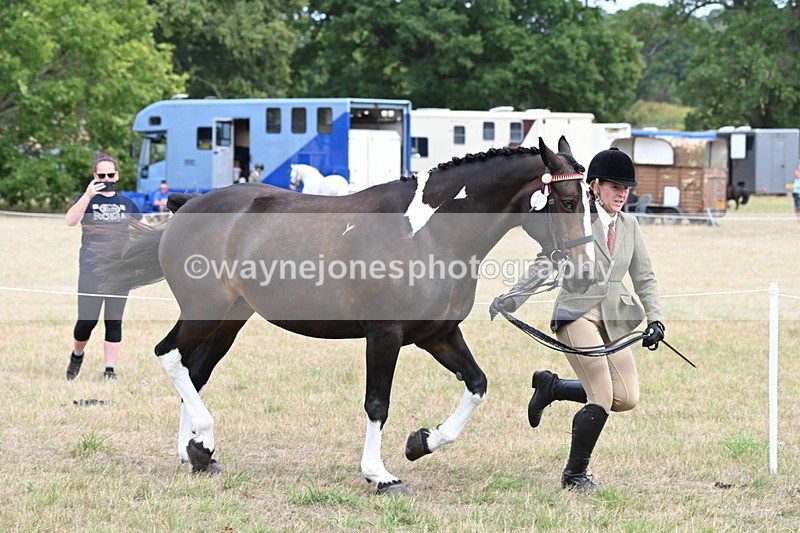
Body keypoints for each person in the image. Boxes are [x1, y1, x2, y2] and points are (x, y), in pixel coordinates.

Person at [491, 147, 665, 492]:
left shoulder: (630, 225)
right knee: (600, 394)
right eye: (614, 186)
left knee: (626, 398)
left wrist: (656, 319)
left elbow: (645, 277)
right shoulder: (578, 218)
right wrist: (515, 296)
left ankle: (552, 387)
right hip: (577, 310)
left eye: (626, 188)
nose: (621, 194)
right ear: (595, 185)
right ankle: (574, 475)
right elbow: (548, 259)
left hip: (616, 316)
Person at [64, 154, 143, 380]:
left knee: (114, 320)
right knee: (87, 321)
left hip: (120, 270)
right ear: (94, 176)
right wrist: (88, 196)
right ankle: (77, 355)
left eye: (110, 174)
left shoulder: (128, 203)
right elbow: (70, 220)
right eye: (102, 175)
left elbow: (144, 230)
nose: (106, 178)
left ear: (117, 175)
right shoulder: (87, 200)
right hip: (91, 269)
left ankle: (110, 369)